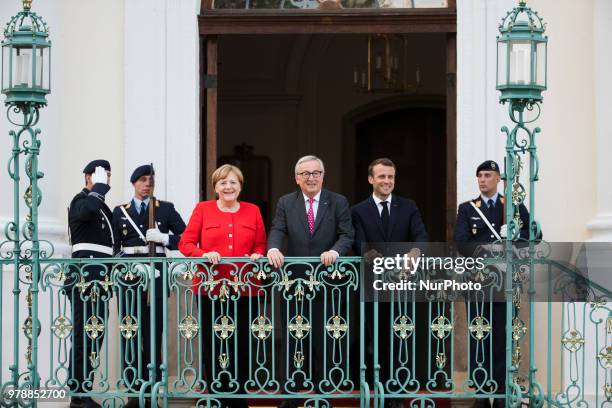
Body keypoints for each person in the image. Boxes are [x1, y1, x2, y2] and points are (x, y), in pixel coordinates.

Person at [267, 155, 354, 407]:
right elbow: (278, 229)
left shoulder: (338, 201)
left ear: (323, 176)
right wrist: (273, 248)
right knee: (294, 336)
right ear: (297, 178)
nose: (311, 177)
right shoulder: (286, 202)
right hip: (293, 283)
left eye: (316, 173)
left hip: (327, 282)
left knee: (324, 338)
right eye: (306, 174)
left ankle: (322, 392)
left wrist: (335, 252)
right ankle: (291, 395)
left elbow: (347, 234)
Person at [179, 164, 267, 408]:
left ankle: (238, 397)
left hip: (245, 287)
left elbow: (260, 244)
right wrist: (204, 254)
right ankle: (217, 394)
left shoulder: (253, 210)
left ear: (240, 186)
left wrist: (258, 255)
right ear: (215, 187)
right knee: (213, 341)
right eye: (223, 183)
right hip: (211, 287)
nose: (228, 187)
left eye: (233, 183)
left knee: (242, 342)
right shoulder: (203, 209)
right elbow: (186, 243)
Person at [454, 160, 538, 408]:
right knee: (480, 335)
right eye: (479, 175)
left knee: (503, 337)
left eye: (487, 175)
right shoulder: (468, 208)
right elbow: (461, 242)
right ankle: (481, 392)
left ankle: (501, 392)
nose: (482, 179)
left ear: (498, 179)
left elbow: (534, 235)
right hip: (479, 282)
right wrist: (490, 249)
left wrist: (513, 239)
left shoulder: (511, 206)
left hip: (505, 283)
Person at [351, 158, 428, 406]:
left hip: (402, 285)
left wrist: (416, 251)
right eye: (382, 177)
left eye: (391, 177)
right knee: (376, 336)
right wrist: (366, 252)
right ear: (371, 179)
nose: (387, 181)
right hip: (372, 284)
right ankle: (378, 387)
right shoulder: (358, 210)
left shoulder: (408, 206)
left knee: (401, 337)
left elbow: (420, 235)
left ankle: (397, 391)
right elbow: (357, 241)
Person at [112, 164, 186, 408]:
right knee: (130, 332)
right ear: (134, 183)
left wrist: (165, 238)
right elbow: (113, 246)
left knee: (153, 332)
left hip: (156, 275)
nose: (147, 184)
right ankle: (134, 390)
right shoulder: (120, 211)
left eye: (150, 180)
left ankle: (153, 388)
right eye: (143, 180)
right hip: (130, 277)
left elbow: (186, 238)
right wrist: (125, 266)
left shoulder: (164, 209)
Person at [66, 160, 115, 408]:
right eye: (101, 175)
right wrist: (98, 187)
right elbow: (87, 211)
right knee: (84, 337)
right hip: (85, 278)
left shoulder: (103, 208)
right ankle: (78, 395)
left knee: (94, 337)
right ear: (89, 178)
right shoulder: (81, 201)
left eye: (108, 175)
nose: (106, 179)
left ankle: (84, 390)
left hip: (101, 280)